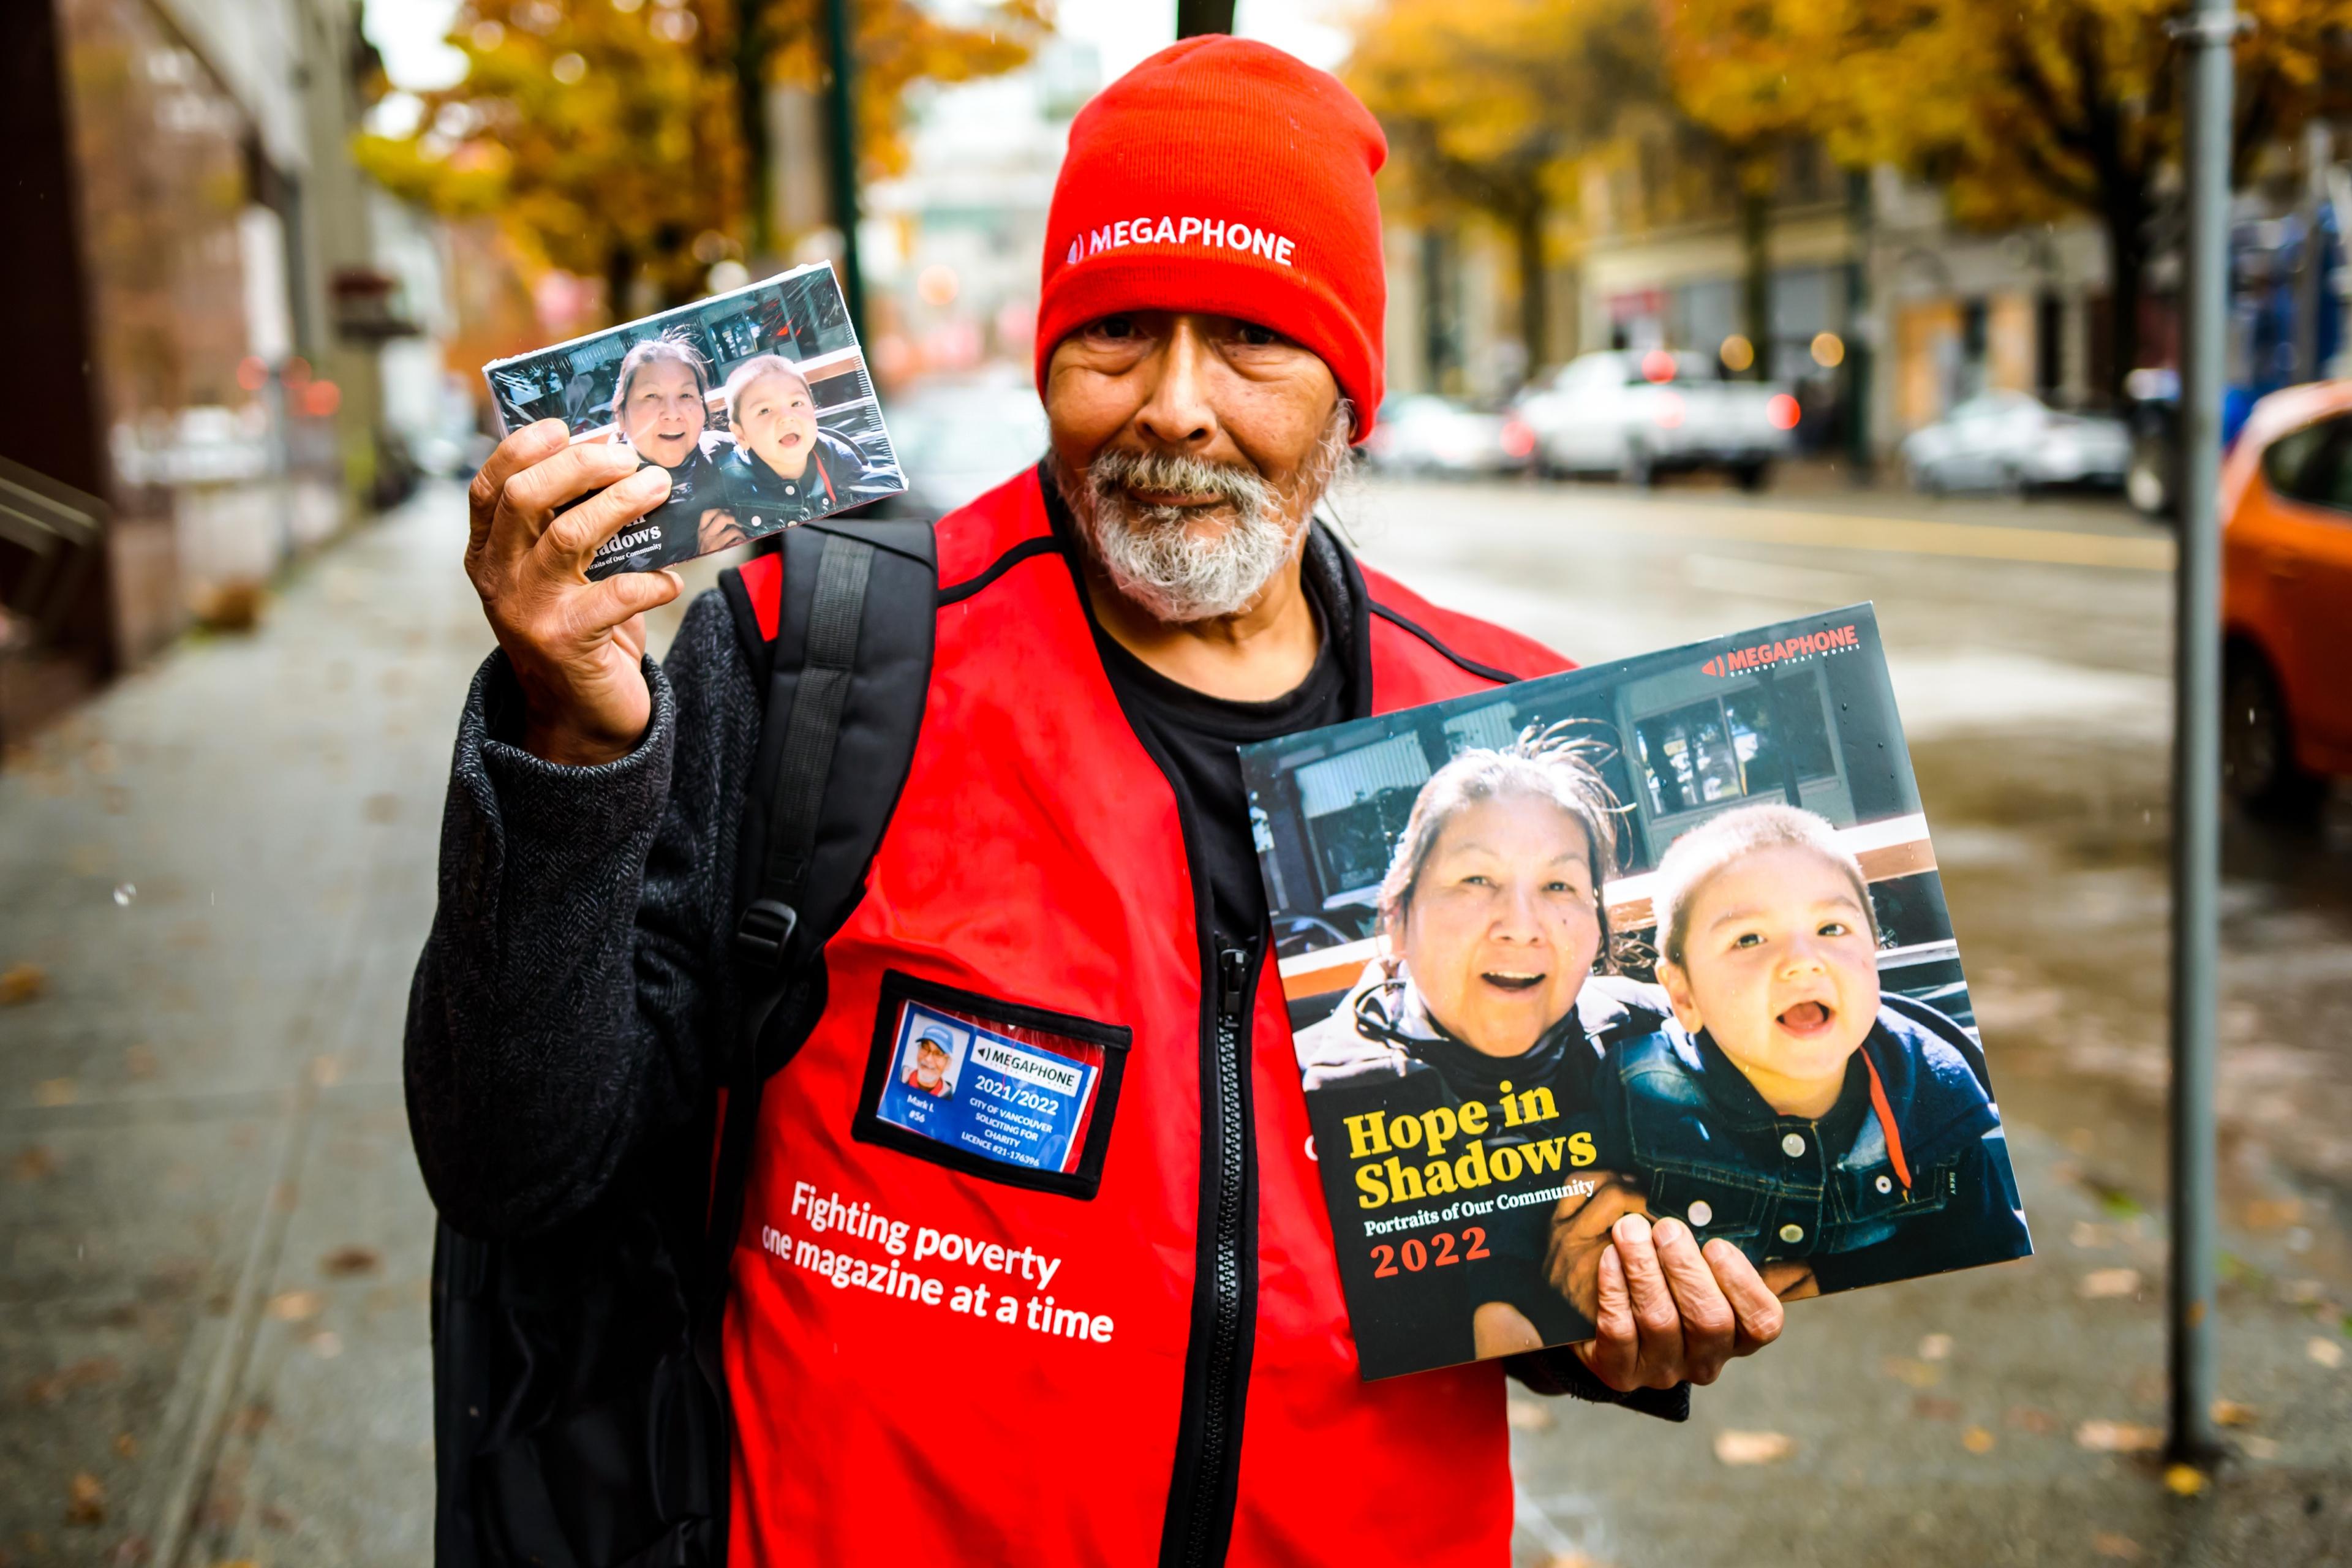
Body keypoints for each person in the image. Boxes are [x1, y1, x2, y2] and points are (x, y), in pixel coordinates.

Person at [413, 38, 1784, 1567]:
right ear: (1045, 357)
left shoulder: (1501, 737)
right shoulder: (830, 649)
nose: (1174, 407)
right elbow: (519, 1160)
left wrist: (1610, 1314)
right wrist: (566, 749)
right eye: (1119, 330)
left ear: (1353, 396)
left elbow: (1507, 1237)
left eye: (1254, 341)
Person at [1292, 728, 1679, 1360]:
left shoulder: (1654, 1036)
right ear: (1397, 920)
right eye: (1475, 879)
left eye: (1559, 886)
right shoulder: (1300, 1099)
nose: (1522, 925)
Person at [1572, 802, 2030, 1302]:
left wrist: (1852, 1276)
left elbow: (1991, 1251)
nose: (1801, 961)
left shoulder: (1935, 1091)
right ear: (1683, 995)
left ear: (1873, 953)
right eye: (1749, 938)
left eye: (1831, 928)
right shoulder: (1635, 1091)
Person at [592, 333, 738, 573]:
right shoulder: (600, 498)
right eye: (651, 396)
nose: (672, 413)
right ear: (621, 415)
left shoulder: (731, 452)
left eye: (686, 395)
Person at [713, 353, 900, 536]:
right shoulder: (724, 486)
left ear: (813, 410)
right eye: (765, 410)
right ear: (741, 434)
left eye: (796, 403)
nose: (786, 417)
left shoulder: (845, 466)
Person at [903, 1031, 956, 1098]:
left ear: (948, 1063)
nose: (928, 1059)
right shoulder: (896, 1075)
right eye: (925, 1048)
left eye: (938, 1054)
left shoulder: (951, 1102)